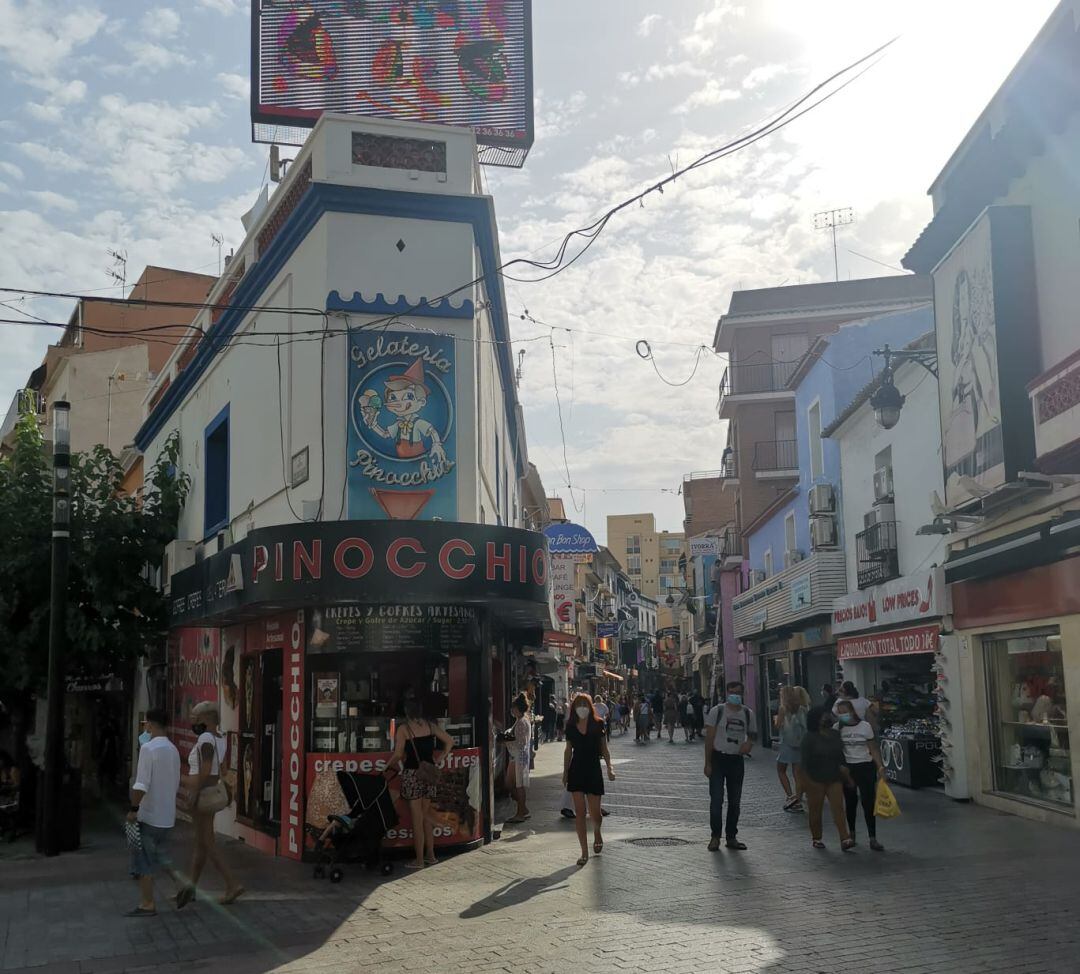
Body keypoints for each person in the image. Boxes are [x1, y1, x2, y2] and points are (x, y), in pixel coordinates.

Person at [177, 702, 243, 908]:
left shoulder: (205, 738)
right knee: (201, 843)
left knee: (207, 843)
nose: (194, 722)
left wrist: (184, 782)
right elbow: (219, 769)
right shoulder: (220, 738)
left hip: (203, 794)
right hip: (211, 792)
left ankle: (232, 884)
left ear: (207, 719)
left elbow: (205, 771)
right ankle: (190, 889)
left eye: (197, 719)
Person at [388, 692, 455, 869]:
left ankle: (418, 860)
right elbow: (449, 741)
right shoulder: (430, 725)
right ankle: (431, 856)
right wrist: (440, 759)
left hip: (412, 775)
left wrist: (386, 766)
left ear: (406, 711)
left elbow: (398, 754)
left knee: (417, 819)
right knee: (426, 817)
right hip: (429, 774)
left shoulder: (404, 729)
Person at [125, 709, 182, 917]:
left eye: (146, 724)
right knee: (161, 855)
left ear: (150, 724)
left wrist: (133, 809)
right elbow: (175, 782)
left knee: (144, 861)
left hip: (149, 815)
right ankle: (181, 884)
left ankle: (147, 903)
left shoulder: (148, 749)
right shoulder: (173, 750)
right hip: (167, 815)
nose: (145, 728)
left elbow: (141, 784)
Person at [563, 692, 615, 866]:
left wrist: (609, 767)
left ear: (590, 706)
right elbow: (568, 750)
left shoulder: (598, 724)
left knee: (595, 813)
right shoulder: (570, 726)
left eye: (585, 705)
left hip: (593, 769)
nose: (582, 708)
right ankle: (584, 852)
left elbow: (604, 748)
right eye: (579, 705)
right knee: (580, 813)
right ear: (574, 708)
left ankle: (597, 831)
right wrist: (565, 772)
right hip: (576, 769)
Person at [703, 681, 755, 852]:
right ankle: (715, 837)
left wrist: (749, 743)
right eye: (733, 692)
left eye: (739, 692)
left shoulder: (748, 713)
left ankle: (731, 836)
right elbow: (709, 739)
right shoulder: (717, 711)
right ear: (726, 693)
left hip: (736, 761)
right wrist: (708, 763)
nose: (736, 695)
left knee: (735, 801)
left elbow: (753, 733)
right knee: (716, 800)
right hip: (718, 759)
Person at [800, 706, 854, 851]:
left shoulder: (835, 734)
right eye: (822, 715)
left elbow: (840, 754)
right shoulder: (809, 737)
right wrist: (806, 783)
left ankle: (845, 838)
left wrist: (845, 771)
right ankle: (816, 837)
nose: (825, 717)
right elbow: (803, 763)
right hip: (815, 779)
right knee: (815, 810)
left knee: (838, 807)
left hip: (834, 775)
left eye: (826, 715)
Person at [836, 698, 886, 851]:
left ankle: (872, 837)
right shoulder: (837, 728)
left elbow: (873, 748)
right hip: (848, 768)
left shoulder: (865, 727)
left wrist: (880, 767)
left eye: (845, 712)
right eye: (840, 713)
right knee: (850, 802)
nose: (843, 715)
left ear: (852, 711)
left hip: (865, 765)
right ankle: (851, 835)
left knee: (868, 802)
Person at [774, 686, 809, 812]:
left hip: (786, 744)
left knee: (781, 770)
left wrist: (776, 721)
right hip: (800, 744)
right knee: (797, 773)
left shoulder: (783, 709)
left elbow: (778, 726)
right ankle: (798, 798)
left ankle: (790, 796)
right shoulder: (802, 708)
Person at [505, 694, 532, 824]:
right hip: (515, 756)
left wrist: (506, 740)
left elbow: (520, 742)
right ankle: (523, 808)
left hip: (519, 756)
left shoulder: (522, 722)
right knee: (510, 783)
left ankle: (520, 812)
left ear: (518, 708)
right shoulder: (520, 720)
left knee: (519, 785)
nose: (512, 710)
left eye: (513, 708)